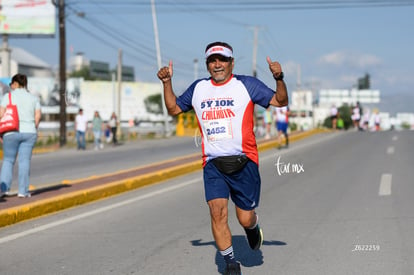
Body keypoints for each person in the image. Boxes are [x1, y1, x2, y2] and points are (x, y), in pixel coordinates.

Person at [157, 41, 288, 275]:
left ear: (231, 63)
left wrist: (279, 78)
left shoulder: (246, 85)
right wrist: (167, 83)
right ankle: (230, 263)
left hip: (244, 161)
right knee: (217, 212)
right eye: (212, 60)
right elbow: (174, 108)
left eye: (222, 60)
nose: (217, 64)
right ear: (208, 65)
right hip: (213, 163)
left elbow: (280, 101)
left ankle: (253, 226)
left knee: (244, 218)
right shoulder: (199, 88)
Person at [0, 74, 41, 198]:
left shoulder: (8, 96)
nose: (11, 86)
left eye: (11, 84)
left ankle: (3, 190)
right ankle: (23, 191)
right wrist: (33, 127)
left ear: (16, 84)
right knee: (24, 161)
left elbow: (1, 114)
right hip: (29, 132)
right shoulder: (34, 98)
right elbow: (37, 116)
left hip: (11, 132)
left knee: (8, 160)